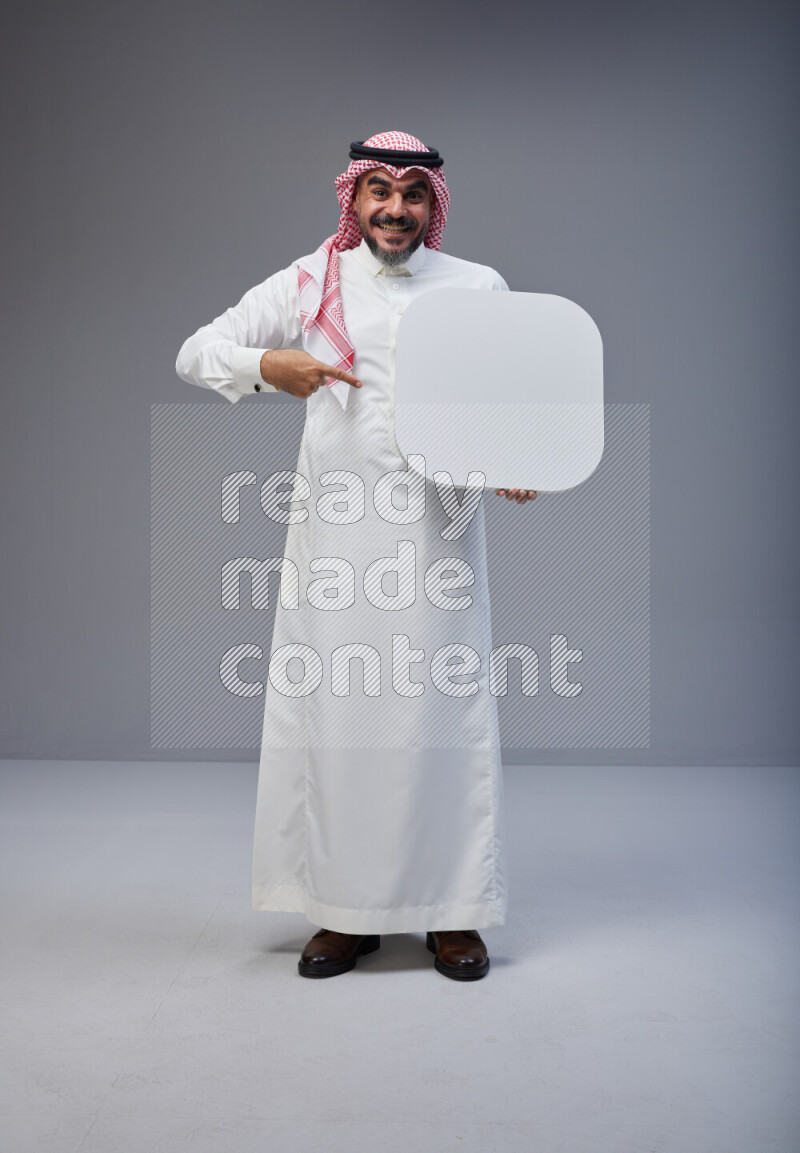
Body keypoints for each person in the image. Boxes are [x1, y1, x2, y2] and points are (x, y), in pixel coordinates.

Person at [176, 131, 536, 982]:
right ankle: (345, 912)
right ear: (354, 198)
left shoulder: (478, 287)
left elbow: (514, 395)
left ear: (432, 205)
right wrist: (270, 365)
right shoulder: (312, 280)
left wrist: (520, 457)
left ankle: (454, 912)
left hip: (440, 537)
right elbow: (197, 352)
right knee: (341, 722)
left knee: (441, 718)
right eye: (379, 190)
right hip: (336, 541)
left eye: (412, 194)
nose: (395, 209)